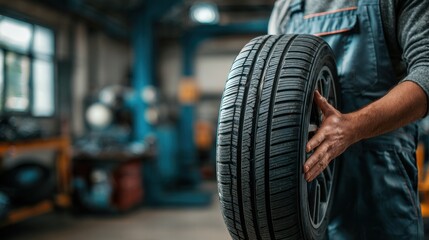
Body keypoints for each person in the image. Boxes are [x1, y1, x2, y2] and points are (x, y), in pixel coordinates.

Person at [269, 0, 429, 238]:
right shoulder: (287, 6)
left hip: (379, 197)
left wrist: (351, 128)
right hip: (305, 202)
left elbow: (426, 72)